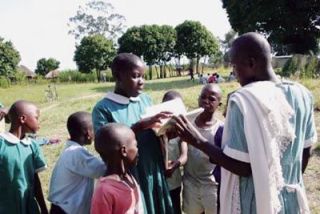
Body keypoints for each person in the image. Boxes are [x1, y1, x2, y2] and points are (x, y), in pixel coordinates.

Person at [173, 32, 317, 214]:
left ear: (251, 63)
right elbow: (306, 149)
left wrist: (197, 141)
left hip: (256, 203)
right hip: (291, 199)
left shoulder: (244, 100)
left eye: (234, 65)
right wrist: (286, 180)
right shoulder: (302, 94)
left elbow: (242, 166)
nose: (234, 73)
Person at [92, 53, 174, 214]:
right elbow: (106, 148)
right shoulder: (103, 109)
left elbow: (156, 135)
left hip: (154, 168)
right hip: (130, 174)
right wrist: (138, 127)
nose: (141, 81)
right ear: (118, 76)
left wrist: (167, 130)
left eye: (143, 76)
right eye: (135, 76)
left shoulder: (145, 100)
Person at [48, 111, 106, 214]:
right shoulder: (76, 153)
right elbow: (103, 170)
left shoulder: (72, 150)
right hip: (65, 211)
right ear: (88, 133)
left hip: (62, 208)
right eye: (94, 130)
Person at [0, 100, 48, 214]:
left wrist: (44, 208)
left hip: (30, 208)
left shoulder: (32, 145)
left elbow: (36, 181)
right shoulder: (2, 144)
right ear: (22, 119)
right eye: (36, 118)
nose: (39, 123)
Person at [182, 84, 223, 214]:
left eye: (211, 99)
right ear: (198, 99)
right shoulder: (188, 124)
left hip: (211, 186)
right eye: (203, 97)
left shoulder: (221, 129)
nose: (206, 101)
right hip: (190, 184)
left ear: (219, 104)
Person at [91, 123, 144, 214]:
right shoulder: (104, 191)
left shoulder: (128, 176)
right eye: (136, 145)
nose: (138, 149)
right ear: (124, 151)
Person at [162, 91, 188, 214]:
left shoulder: (180, 129)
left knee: (175, 208)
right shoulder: (155, 127)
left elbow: (184, 155)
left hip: (174, 181)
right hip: (159, 181)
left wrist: (176, 164)